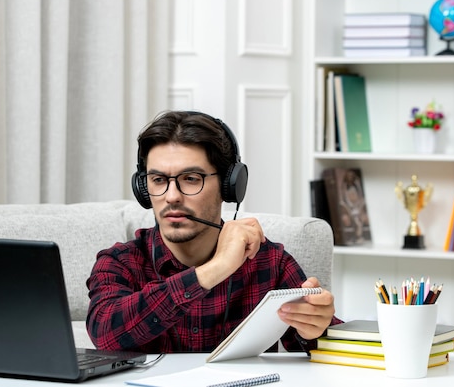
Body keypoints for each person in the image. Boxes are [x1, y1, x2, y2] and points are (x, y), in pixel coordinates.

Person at [86, 110, 341, 353]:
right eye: (159, 180)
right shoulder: (119, 263)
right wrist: (216, 268)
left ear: (229, 186)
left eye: (191, 179)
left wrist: (317, 330)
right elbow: (106, 336)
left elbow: (339, 355)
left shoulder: (269, 262)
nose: (171, 197)